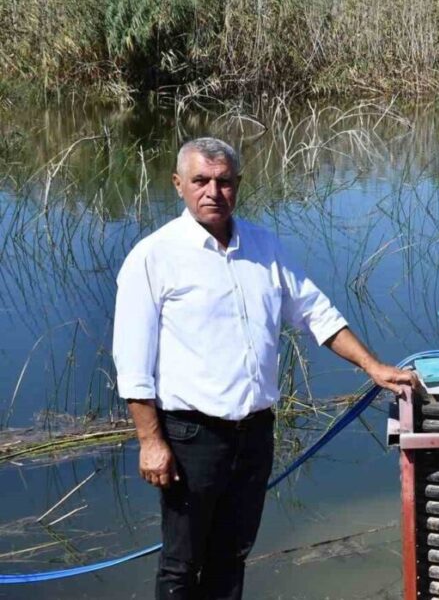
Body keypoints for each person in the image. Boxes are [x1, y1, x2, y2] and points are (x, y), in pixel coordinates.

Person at [112, 137, 419, 600]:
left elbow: (318, 313)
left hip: (255, 433)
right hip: (192, 437)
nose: (212, 191)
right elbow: (133, 364)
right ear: (178, 185)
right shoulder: (154, 257)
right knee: (182, 564)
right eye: (200, 181)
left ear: (238, 185)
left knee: (232, 553)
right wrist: (151, 442)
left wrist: (373, 366)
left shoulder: (264, 246)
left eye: (224, 181)